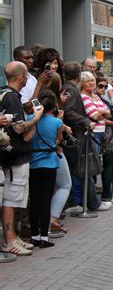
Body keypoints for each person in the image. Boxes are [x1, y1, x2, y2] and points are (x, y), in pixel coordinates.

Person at [0, 61, 42, 256]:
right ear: (21, 77)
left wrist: (30, 126)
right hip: (13, 157)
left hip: (15, 155)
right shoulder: (10, 98)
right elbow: (17, 127)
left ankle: (13, 236)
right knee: (11, 198)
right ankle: (9, 240)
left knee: (15, 197)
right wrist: (35, 119)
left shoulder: (9, 95)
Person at [62, 62, 111, 212]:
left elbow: (106, 112)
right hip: (76, 135)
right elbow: (69, 111)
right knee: (83, 170)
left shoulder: (70, 89)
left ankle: (75, 203)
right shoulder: (71, 90)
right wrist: (86, 121)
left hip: (75, 134)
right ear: (78, 75)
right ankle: (91, 203)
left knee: (76, 171)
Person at [28, 90, 68, 248]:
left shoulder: (30, 119)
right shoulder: (56, 122)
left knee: (34, 201)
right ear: (54, 106)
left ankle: (34, 235)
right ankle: (44, 236)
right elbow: (58, 140)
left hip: (33, 163)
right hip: (49, 163)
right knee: (45, 201)